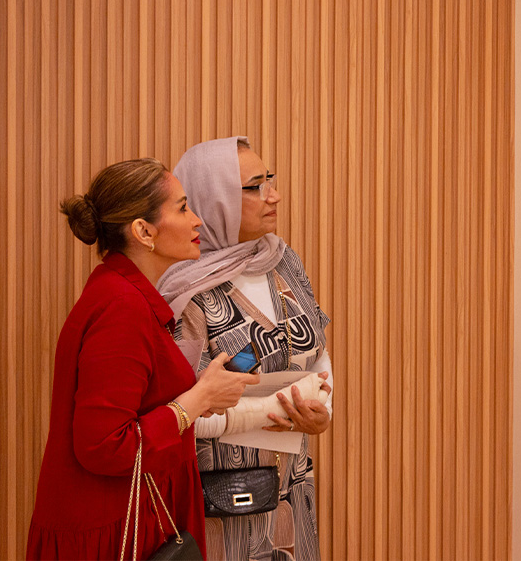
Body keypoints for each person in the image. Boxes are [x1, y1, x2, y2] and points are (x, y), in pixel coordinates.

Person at [26, 158, 260, 560]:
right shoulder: (122, 307)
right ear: (143, 231)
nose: (197, 220)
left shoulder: (121, 292)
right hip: (114, 531)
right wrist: (196, 401)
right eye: (183, 208)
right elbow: (104, 445)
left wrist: (200, 394)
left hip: (125, 519)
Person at [157, 137, 332, 561]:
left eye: (270, 179)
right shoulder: (186, 290)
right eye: (255, 186)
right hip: (220, 499)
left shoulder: (284, 261)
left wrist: (323, 413)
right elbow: (179, 413)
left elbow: (317, 355)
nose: (274, 195)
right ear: (214, 199)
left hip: (291, 489)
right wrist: (273, 411)